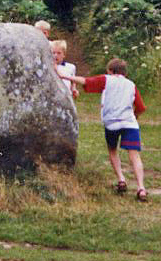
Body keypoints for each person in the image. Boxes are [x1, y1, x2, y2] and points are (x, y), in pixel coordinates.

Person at [58, 57, 148, 201]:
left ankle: (121, 179)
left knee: (113, 150)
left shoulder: (107, 79)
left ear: (110, 71)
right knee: (134, 155)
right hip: (129, 123)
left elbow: (86, 81)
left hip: (112, 123)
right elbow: (141, 107)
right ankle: (141, 188)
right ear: (125, 72)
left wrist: (64, 76)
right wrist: (135, 115)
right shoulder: (131, 84)